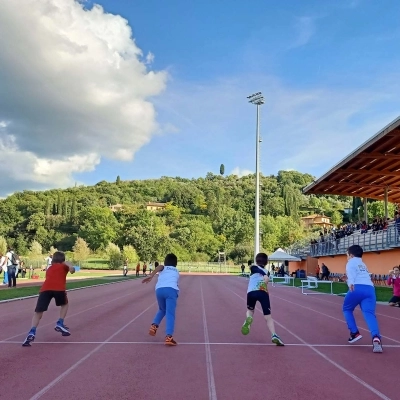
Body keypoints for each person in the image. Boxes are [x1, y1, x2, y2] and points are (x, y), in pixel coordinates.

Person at [22, 251, 75, 347]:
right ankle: (60, 322)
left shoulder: (49, 268)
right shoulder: (64, 266)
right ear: (63, 260)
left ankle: (32, 331)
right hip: (59, 288)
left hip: (45, 289)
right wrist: (69, 265)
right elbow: (72, 270)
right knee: (65, 304)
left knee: (38, 311)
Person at [342, 245, 382, 353]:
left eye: (347, 255)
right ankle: (376, 337)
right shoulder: (363, 264)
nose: (347, 257)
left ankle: (354, 333)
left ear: (351, 255)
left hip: (356, 288)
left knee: (347, 309)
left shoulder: (350, 262)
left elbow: (351, 275)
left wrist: (350, 283)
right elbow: (361, 275)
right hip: (369, 289)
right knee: (369, 314)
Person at [241, 252, 284, 346]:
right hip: (263, 293)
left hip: (251, 292)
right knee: (268, 317)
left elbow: (255, 269)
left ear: (256, 260)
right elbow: (260, 271)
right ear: (266, 262)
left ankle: (248, 318)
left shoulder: (252, 267)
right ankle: (274, 335)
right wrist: (265, 275)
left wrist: (265, 275)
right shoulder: (266, 272)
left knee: (250, 311)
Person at [142, 253, 179, 346]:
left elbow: (160, 267)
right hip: (171, 290)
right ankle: (169, 337)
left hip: (159, 290)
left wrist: (151, 276)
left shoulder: (163, 268)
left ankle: (154, 325)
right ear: (176, 264)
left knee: (162, 309)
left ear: (165, 262)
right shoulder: (176, 271)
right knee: (170, 313)